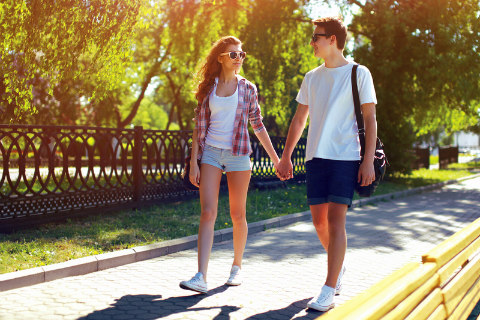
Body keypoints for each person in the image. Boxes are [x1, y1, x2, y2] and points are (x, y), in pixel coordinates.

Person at [276, 17, 378, 311]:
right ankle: (339, 267)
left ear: (332, 39)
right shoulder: (312, 77)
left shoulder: (359, 73)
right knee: (319, 222)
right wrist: (285, 157)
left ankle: (329, 287)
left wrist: (367, 160)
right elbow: (299, 120)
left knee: (336, 221)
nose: (312, 42)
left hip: (346, 157)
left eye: (316, 37)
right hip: (315, 157)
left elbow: (370, 119)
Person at [179, 36, 281, 294]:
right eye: (233, 54)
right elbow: (198, 126)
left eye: (241, 54)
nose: (239, 58)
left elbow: (257, 125)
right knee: (207, 213)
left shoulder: (248, 88)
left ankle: (237, 266)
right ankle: (201, 276)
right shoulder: (207, 88)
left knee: (238, 214)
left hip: (238, 155)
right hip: (211, 153)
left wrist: (276, 158)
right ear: (221, 57)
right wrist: (194, 161)